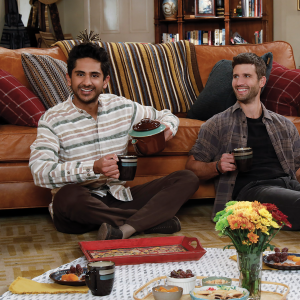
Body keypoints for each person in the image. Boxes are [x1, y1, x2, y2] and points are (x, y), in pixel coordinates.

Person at [29, 42, 200, 240]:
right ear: (69, 79)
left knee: (187, 178)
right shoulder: (52, 119)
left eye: (94, 75)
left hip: (119, 197)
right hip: (80, 205)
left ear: (105, 81)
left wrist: (166, 129)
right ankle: (148, 222)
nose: (87, 82)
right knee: (66, 197)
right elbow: (39, 171)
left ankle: (125, 227)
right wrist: (93, 167)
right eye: (80, 74)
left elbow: (165, 115)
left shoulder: (121, 107)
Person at [186, 52, 300, 230]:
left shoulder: (284, 125)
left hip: (287, 185)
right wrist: (217, 166)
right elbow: (192, 167)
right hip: (251, 192)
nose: (239, 82)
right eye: (236, 76)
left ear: (261, 81)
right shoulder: (217, 123)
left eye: (247, 76)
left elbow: (297, 169)